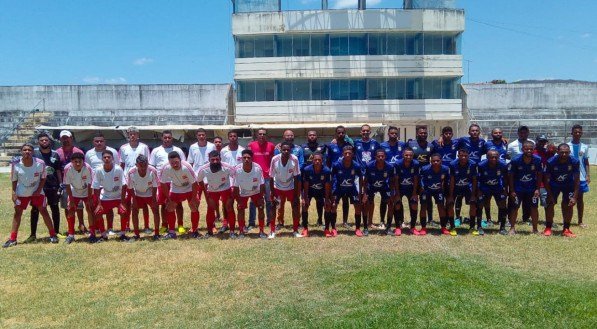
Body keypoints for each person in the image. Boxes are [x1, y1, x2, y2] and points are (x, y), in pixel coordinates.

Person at [4, 144, 59, 248]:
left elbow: (43, 178)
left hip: (36, 191)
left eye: (29, 150)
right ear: (21, 152)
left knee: (44, 211)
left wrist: (38, 190)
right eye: (25, 150)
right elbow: (14, 180)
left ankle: (52, 235)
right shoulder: (16, 163)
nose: (27, 151)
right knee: (17, 213)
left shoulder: (40, 163)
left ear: (33, 152)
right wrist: (13, 192)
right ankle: (13, 239)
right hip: (22, 192)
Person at [149, 130, 186, 234]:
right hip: (162, 182)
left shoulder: (178, 150)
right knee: (163, 204)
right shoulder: (156, 150)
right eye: (165, 137)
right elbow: (152, 166)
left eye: (169, 137)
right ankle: (164, 225)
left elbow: (183, 164)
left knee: (178, 204)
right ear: (162, 138)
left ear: (172, 138)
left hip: (176, 181)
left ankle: (180, 225)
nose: (167, 139)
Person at [28, 132, 62, 243]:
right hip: (38, 187)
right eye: (42, 140)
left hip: (52, 186)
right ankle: (33, 234)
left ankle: (56, 232)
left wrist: (60, 184)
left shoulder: (55, 154)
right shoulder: (34, 154)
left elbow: (58, 170)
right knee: (35, 209)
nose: (44, 142)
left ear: (49, 141)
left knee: (54, 208)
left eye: (46, 140)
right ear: (38, 142)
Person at [158, 152, 199, 239]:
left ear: (180, 160)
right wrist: (169, 199)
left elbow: (195, 183)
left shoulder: (187, 167)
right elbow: (163, 183)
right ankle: (172, 232)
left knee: (193, 206)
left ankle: (195, 231)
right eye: (172, 163)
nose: (175, 164)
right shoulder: (165, 168)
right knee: (170, 207)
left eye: (176, 162)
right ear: (169, 162)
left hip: (189, 187)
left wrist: (193, 198)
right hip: (176, 188)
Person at [85, 132, 120, 235]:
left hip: (109, 184)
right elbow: (88, 169)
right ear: (93, 142)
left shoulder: (112, 151)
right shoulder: (89, 153)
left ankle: (110, 228)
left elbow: (117, 167)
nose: (99, 143)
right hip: (96, 185)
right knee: (95, 207)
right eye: (97, 141)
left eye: (101, 141)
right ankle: (97, 228)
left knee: (109, 208)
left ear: (105, 141)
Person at [196, 151, 236, 238]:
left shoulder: (227, 167)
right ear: (209, 160)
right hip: (212, 190)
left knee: (229, 207)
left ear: (220, 159)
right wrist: (205, 191)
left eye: (217, 159)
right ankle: (210, 231)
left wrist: (233, 188)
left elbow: (236, 176)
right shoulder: (203, 169)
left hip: (225, 188)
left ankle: (232, 231)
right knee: (210, 209)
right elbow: (199, 180)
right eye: (212, 159)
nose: (215, 161)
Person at [119, 127, 151, 233]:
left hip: (142, 176)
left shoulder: (144, 147)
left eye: (134, 134)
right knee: (128, 203)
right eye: (130, 134)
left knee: (144, 202)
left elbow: (148, 163)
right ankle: (127, 225)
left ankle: (146, 226)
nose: (132, 136)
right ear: (128, 135)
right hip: (128, 178)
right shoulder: (123, 148)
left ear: (138, 135)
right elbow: (122, 164)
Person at [544, 144, 580, 237]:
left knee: (568, 205)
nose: (564, 154)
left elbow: (577, 180)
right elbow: (546, 179)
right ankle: (548, 228)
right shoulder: (551, 161)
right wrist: (549, 193)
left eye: (566, 152)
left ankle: (566, 229)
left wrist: (575, 197)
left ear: (569, 152)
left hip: (568, 185)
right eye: (562, 152)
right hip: (554, 185)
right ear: (557, 152)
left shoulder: (574, 161)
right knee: (549, 204)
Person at [92, 150, 128, 241]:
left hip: (118, 196)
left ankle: (123, 234)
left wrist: (122, 203)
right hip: (106, 196)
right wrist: (99, 204)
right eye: (104, 157)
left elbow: (124, 185)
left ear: (112, 158)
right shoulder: (99, 170)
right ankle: (103, 235)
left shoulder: (118, 169)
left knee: (124, 212)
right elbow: (96, 188)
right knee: (98, 213)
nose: (107, 159)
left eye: (109, 157)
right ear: (102, 159)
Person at [508, 141, 542, 235]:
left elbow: (539, 175)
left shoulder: (537, 160)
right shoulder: (515, 160)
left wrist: (537, 189)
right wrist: (512, 190)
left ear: (534, 149)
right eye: (527, 149)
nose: (529, 150)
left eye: (531, 149)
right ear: (522, 149)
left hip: (532, 189)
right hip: (518, 189)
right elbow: (510, 175)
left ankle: (535, 229)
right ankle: (512, 228)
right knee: (515, 208)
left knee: (534, 208)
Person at [269, 142, 302, 238]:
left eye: (288, 150)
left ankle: (295, 230)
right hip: (277, 186)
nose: (286, 151)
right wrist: (273, 193)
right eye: (284, 149)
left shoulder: (294, 159)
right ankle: (272, 231)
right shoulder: (274, 159)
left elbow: (296, 177)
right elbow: (271, 177)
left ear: (291, 151)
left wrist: (296, 194)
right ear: (280, 150)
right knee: (273, 206)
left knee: (295, 206)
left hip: (290, 186)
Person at [56, 130, 86, 233]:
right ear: (60, 139)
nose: (65, 140)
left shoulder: (78, 151)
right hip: (65, 183)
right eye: (63, 138)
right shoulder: (58, 152)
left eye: (67, 138)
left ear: (71, 138)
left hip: (77, 182)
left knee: (79, 205)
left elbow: (83, 167)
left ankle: (81, 224)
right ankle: (70, 227)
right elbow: (58, 169)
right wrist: (61, 183)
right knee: (67, 206)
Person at [232, 149, 266, 238]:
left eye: (248, 158)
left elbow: (262, 184)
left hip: (256, 191)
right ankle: (241, 231)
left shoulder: (257, 168)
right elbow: (235, 186)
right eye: (244, 158)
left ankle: (261, 231)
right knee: (240, 210)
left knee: (261, 208)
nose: (246, 159)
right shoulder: (237, 169)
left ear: (252, 159)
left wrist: (261, 197)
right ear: (241, 159)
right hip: (243, 191)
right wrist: (238, 200)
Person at [331, 146, 364, 236]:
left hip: (351, 188)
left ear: (352, 154)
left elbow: (361, 178)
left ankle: (357, 228)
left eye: (349, 153)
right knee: (333, 206)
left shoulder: (356, 165)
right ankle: (333, 228)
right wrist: (331, 190)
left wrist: (360, 191)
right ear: (343, 154)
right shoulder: (336, 165)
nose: (348, 155)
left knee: (357, 206)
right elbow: (331, 177)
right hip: (338, 188)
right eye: (346, 153)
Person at [63, 152, 95, 244]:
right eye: (75, 161)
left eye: (79, 161)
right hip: (74, 191)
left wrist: (89, 199)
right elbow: (67, 185)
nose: (77, 164)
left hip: (87, 191)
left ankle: (92, 234)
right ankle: (71, 235)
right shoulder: (67, 168)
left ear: (83, 161)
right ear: (71, 162)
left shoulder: (87, 168)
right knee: (71, 211)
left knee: (90, 210)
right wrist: (71, 200)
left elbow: (90, 184)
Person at [126, 154, 160, 240]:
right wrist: (134, 200)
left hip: (150, 193)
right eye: (141, 165)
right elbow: (130, 188)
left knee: (155, 210)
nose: (143, 168)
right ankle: (136, 234)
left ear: (148, 164)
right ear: (136, 165)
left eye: (145, 165)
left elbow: (155, 186)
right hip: (137, 194)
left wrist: (153, 199)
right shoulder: (131, 172)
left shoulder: (153, 171)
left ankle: (156, 233)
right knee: (134, 211)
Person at [247, 128, 275, 231]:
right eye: (260, 134)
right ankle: (251, 222)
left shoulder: (271, 146)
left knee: (268, 200)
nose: (262, 135)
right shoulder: (251, 145)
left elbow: (273, 160)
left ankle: (268, 221)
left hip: (267, 177)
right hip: (254, 177)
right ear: (257, 135)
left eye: (263, 134)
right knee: (253, 201)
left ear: (266, 135)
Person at [327, 125, 354, 229]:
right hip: (334, 176)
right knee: (334, 199)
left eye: (342, 132)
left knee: (346, 199)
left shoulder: (349, 145)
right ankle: (332, 222)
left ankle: (345, 221)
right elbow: (328, 161)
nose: (341, 134)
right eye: (339, 133)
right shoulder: (331, 146)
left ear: (345, 133)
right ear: (336, 134)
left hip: (346, 176)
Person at [354, 124, 381, 229]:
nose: (365, 132)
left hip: (371, 174)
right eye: (363, 131)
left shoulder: (375, 143)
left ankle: (370, 222)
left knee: (370, 198)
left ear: (370, 132)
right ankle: (360, 221)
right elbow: (345, 145)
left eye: (367, 131)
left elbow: (379, 155)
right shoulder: (356, 143)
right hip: (359, 174)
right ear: (361, 132)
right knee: (360, 198)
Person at [408, 125, 435, 226]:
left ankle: (430, 219)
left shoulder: (431, 146)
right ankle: (413, 219)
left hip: (426, 176)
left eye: (425, 133)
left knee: (428, 198)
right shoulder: (411, 144)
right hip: (413, 175)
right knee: (413, 198)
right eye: (421, 133)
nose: (423, 134)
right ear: (417, 134)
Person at [447, 148, 479, 235]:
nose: (463, 157)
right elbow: (452, 180)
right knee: (450, 204)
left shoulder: (472, 164)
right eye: (461, 156)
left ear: (468, 156)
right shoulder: (452, 164)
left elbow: (474, 179)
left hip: (467, 187)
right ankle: (452, 226)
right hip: (456, 187)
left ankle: (472, 227)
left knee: (473, 204)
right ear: (458, 156)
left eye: (465, 156)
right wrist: (450, 196)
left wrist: (473, 195)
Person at [363, 149, 395, 235]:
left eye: (382, 156)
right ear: (375, 157)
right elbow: (365, 180)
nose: (380, 158)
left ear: (385, 157)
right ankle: (366, 227)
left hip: (384, 186)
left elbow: (392, 181)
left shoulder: (390, 167)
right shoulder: (369, 165)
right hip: (371, 185)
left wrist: (392, 193)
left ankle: (388, 227)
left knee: (391, 203)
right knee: (366, 204)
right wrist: (364, 193)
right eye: (378, 156)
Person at [477, 149, 509, 235]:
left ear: (498, 157)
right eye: (491, 157)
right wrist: (479, 190)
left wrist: (505, 190)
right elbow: (477, 179)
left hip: (497, 187)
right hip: (485, 187)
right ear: (487, 157)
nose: (494, 159)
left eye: (495, 157)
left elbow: (506, 178)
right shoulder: (481, 165)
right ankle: (479, 227)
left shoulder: (503, 165)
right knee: (480, 204)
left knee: (502, 204)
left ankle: (502, 227)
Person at [301, 152, 333, 237]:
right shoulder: (307, 169)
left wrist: (326, 199)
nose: (317, 161)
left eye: (319, 160)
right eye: (315, 160)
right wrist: (305, 197)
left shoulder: (326, 171)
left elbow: (327, 186)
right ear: (312, 160)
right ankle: (305, 228)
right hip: (310, 190)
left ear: (322, 161)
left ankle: (326, 229)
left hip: (321, 191)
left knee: (328, 206)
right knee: (304, 205)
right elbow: (306, 184)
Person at [380, 126, 406, 229]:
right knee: (384, 199)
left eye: (396, 133)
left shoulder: (402, 145)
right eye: (392, 133)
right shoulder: (382, 145)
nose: (394, 135)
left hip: (399, 176)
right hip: (387, 176)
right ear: (388, 134)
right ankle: (382, 221)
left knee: (398, 199)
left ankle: (401, 220)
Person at [419, 154, 451, 235]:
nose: (435, 162)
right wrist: (422, 188)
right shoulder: (425, 169)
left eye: (437, 161)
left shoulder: (445, 169)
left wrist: (445, 189)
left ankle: (443, 227)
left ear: (441, 161)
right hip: (427, 190)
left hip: (438, 190)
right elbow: (421, 179)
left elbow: (447, 180)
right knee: (423, 207)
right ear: (430, 162)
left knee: (441, 207)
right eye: (433, 161)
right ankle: (423, 228)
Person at [301, 130, 328, 226]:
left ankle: (320, 220)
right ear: (307, 137)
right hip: (307, 176)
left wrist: (334, 141)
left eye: (314, 135)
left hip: (319, 177)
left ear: (317, 136)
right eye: (310, 135)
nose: (312, 136)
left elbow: (333, 147)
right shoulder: (302, 147)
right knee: (305, 200)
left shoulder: (322, 147)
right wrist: (279, 145)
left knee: (320, 201)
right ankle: (304, 222)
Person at [220, 130, 245, 233]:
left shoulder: (242, 150)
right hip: (227, 180)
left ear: (237, 138)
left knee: (240, 203)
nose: (233, 138)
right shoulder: (223, 151)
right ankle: (226, 223)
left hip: (240, 180)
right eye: (231, 136)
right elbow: (221, 165)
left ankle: (241, 225)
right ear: (228, 138)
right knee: (226, 203)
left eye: (235, 136)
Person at [567, 124, 590, 228]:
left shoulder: (584, 147)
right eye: (575, 132)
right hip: (569, 177)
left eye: (579, 132)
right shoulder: (566, 146)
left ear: (581, 133)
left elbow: (586, 162)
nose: (577, 133)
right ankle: (567, 220)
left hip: (581, 177)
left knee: (580, 199)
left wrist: (588, 175)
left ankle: (580, 221)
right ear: (571, 133)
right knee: (569, 198)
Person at [393, 148, 420, 236]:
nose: (408, 157)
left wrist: (415, 193)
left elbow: (416, 179)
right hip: (399, 188)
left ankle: (412, 227)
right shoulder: (397, 164)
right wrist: (397, 194)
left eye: (410, 155)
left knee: (414, 204)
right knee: (397, 204)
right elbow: (396, 179)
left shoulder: (416, 164)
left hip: (411, 188)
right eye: (406, 155)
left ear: (413, 156)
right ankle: (398, 227)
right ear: (403, 155)